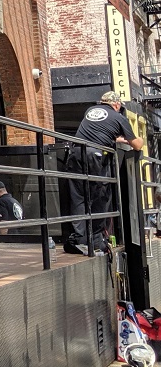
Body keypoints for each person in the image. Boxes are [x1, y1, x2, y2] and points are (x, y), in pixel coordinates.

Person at [64, 91, 144, 254]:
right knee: (101, 196)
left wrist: (115, 138)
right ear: (116, 104)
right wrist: (140, 139)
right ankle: (96, 239)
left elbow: (99, 132)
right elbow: (136, 145)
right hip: (95, 155)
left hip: (76, 152)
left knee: (78, 196)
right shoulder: (119, 117)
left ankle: (80, 239)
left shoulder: (90, 111)